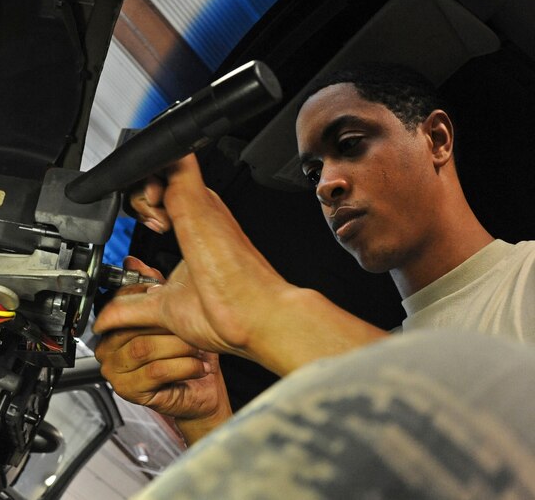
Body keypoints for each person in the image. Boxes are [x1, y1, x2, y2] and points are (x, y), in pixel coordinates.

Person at [93, 62, 535, 445]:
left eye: (349, 144)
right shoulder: (355, 379)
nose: (325, 185)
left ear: (436, 139)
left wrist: (262, 309)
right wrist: (205, 415)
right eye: (312, 172)